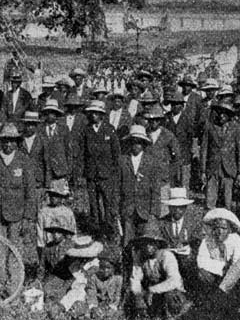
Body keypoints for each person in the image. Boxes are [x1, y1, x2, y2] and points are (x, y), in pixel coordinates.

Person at [0, 123, 36, 263]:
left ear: (17, 142)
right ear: (0, 141)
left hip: (17, 212)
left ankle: (14, 281)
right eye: (5, 140)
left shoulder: (23, 160)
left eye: (12, 141)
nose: (8, 144)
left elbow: (30, 189)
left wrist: (27, 216)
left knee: (14, 249)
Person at [82, 100, 121, 240]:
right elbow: (83, 152)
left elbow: (116, 153)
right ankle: (96, 231)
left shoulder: (109, 129)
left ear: (102, 115)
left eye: (96, 113)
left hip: (106, 174)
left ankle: (110, 230)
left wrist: (114, 172)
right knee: (93, 204)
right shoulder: (87, 130)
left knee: (108, 203)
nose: (93, 116)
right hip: (91, 174)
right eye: (91, 113)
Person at [129, 233, 190, 320]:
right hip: (151, 294)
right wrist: (139, 294)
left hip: (172, 292)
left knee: (170, 298)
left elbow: (174, 281)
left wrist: (152, 290)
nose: (148, 246)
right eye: (145, 243)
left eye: (151, 243)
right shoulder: (140, 257)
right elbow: (135, 279)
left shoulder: (166, 255)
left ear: (157, 244)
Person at [119, 125, 161, 246]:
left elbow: (156, 188)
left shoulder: (151, 162)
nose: (136, 146)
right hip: (128, 207)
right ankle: (129, 263)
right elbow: (117, 186)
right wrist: (116, 209)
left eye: (139, 143)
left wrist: (154, 212)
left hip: (145, 209)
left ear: (143, 144)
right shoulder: (123, 160)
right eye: (133, 142)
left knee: (145, 241)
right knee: (127, 240)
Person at [200, 102, 240, 211]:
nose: (221, 116)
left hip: (228, 169)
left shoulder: (236, 128)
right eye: (219, 113)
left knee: (227, 200)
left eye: (224, 114)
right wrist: (203, 170)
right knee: (210, 199)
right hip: (213, 167)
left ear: (229, 115)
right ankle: (209, 221)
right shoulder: (210, 126)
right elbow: (204, 149)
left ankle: (227, 222)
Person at [46, 235, 104, 317]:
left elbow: (91, 286)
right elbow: (70, 280)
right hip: (76, 288)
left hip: (88, 289)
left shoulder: (94, 265)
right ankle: (61, 307)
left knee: (84, 299)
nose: (82, 259)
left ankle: (88, 309)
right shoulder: (75, 265)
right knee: (71, 295)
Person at [197, 208, 240, 294]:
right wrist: (222, 266)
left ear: (230, 230)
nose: (220, 231)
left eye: (224, 228)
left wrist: (227, 271)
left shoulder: (235, 239)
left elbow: (237, 264)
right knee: (202, 274)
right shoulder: (207, 240)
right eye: (217, 228)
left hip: (231, 275)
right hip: (216, 273)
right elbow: (201, 261)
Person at [158, 188, 202, 284]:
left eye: (181, 207)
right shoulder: (162, 223)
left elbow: (198, 243)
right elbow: (158, 242)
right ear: (169, 207)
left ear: (186, 207)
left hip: (188, 262)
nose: (177, 210)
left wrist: (188, 248)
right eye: (174, 207)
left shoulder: (193, 223)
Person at [36, 179, 77, 279]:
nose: (53, 198)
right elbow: (40, 235)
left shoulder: (67, 213)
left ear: (62, 197)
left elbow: (73, 234)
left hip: (65, 249)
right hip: (49, 248)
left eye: (57, 195)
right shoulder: (43, 212)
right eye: (51, 195)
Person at [144, 104, 180, 217]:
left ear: (160, 121)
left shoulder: (168, 136)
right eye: (150, 120)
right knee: (149, 205)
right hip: (148, 175)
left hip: (163, 176)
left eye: (156, 120)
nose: (153, 123)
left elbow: (177, 157)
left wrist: (170, 173)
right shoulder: (144, 134)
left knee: (163, 207)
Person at [164, 90, 196, 190]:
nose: (175, 106)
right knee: (171, 181)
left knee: (184, 181)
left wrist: (191, 151)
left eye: (177, 104)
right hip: (170, 155)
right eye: (173, 104)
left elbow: (191, 137)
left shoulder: (187, 119)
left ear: (182, 106)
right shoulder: (166, 118)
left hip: (184, 154)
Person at [39, 99, 71, 187]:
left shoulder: (63, 129)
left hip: (60, 170)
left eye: (53, 113)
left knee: (59, 197)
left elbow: (68, 151)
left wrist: (68, 170)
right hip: (44, 171)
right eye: (48, 113)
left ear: (57, 115)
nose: (50, 116)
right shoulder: (40, 129)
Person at [19, 110, 45, 205]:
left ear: (36, 126)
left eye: (32, 125)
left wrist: (46, 184)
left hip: (37, 179)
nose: (29, 127)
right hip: (23, 178)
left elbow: (46, 162)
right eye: (27, 124)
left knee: (37, 204)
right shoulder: (19, 140)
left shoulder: (42, 140)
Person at [86, 250, 123, 316]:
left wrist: (113, 307)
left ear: (113, 268)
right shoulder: (94, 278)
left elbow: (118, 295)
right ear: (99, 267)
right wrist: (94, 307)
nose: (105, 270)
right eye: (103, 268)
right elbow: (91, 293)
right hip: (98, 304)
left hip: (111, 305)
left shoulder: (118, 279)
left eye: (108, 268)